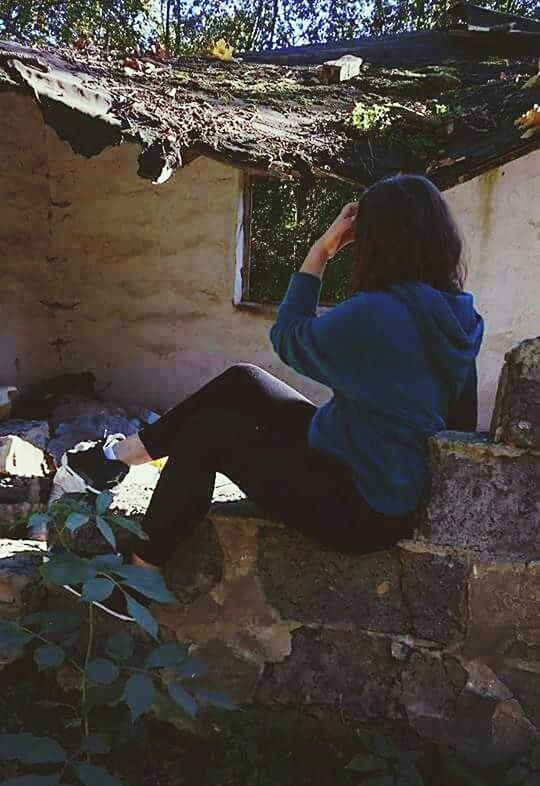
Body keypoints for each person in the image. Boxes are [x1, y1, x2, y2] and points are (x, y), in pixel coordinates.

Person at [58, 174, 483, 621]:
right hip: (381, 478)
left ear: (375, 240)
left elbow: (288, 336)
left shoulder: (377, 313)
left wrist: (320, 252)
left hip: (358, 504)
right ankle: (117, 458)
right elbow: (461, 419)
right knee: (244, 380)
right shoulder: (458, 314)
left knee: (209, 434)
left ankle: (138, 579)